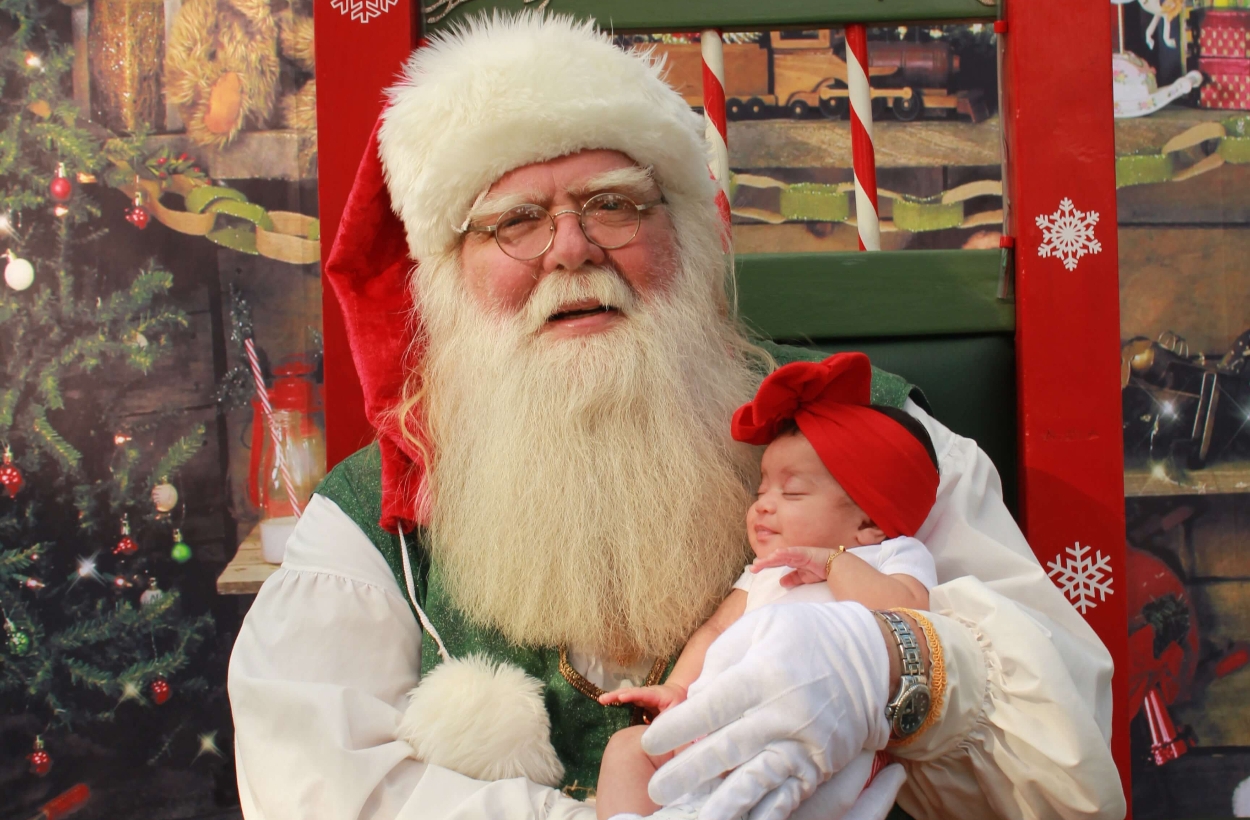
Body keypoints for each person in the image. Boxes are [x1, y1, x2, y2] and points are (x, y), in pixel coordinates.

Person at [227, 13, 1126, 820]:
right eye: (515, 222)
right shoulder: (371, 522)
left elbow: (1072, 773)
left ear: (685, 234)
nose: (571, 249)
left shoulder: (864, 434)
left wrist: (895, 668)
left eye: (613, 204)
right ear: (448, 277)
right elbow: (313, 791)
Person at [594, 352, 940, 819]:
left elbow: (910, 613)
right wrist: (677, 688)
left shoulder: (886, 556)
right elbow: (717, 629)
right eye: (761, 492)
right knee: (628, 748)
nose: (764, 506)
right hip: (715, 727)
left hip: (809, 738)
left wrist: (833, 565)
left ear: (870, 521)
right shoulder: (767, 568)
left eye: (792, 492)